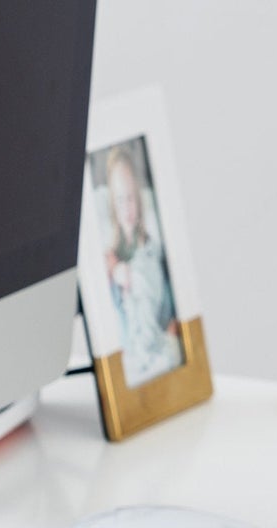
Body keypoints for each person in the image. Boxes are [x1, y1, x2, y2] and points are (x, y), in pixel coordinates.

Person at [102, 144, 183, 385]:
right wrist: (115, 270)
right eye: (120, 200)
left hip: (158, 348)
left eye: (130, 198)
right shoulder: (110, 259)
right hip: (131, 361)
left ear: (138, 198)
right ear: (112, 204)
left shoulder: (155, 252)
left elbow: (172, 316)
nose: (127, 207)